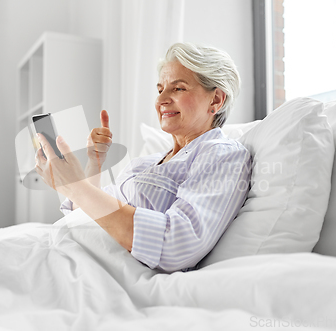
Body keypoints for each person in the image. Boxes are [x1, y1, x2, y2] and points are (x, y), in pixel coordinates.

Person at [34, 42, 251, 272]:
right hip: (63, 251)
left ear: (216, 100)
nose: (160, 101)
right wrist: (94, 163)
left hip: (94, 271)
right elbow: (85, 213)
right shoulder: (145, 163)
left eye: (178, 89)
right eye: (160, 90)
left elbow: (175, 245)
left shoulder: (223, 155)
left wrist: (75, 187)